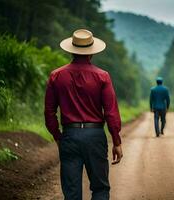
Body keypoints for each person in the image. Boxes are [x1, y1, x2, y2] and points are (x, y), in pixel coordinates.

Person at [44, 29, 123, 200]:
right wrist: (116, 141)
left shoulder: (56, 76)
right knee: (100, 188)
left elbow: (49, 112)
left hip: (69, 136)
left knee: (71, 192)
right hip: (95, 136)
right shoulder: (103, 76)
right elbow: (111, 113)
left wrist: (58, 136)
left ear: (71, 50)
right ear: (92, 53)